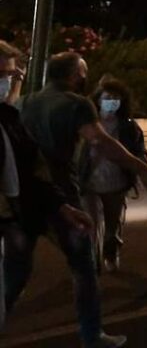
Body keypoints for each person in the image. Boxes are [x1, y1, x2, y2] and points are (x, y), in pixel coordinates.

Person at [18, 51, 147, 348]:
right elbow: (101, 140)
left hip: (29, 195)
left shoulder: (26, 102)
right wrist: (143, 169)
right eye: (83, 72)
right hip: (63, 197)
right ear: (75, 75)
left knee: (15, 270)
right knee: (84, 268)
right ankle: (92, 335)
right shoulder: (77, 104)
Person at [0, 42, 93, 335]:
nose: (9, 81)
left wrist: (60, 205)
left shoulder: (9, 119)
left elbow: (29, 172)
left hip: (19, 212)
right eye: (5, 75)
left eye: (13, 76)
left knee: (15, 274)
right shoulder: (74, 105)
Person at [80, 77, 147, 273]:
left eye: (116, 98)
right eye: (107, 98)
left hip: (116, 183)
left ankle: (111, 252)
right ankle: (92, 262)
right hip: (89, 182)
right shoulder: (87, 124)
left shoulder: (128, 127)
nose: (112, 102)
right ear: (98, 100)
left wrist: (139, 169)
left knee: (112, 225)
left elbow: (139, 151)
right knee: (91, 224)